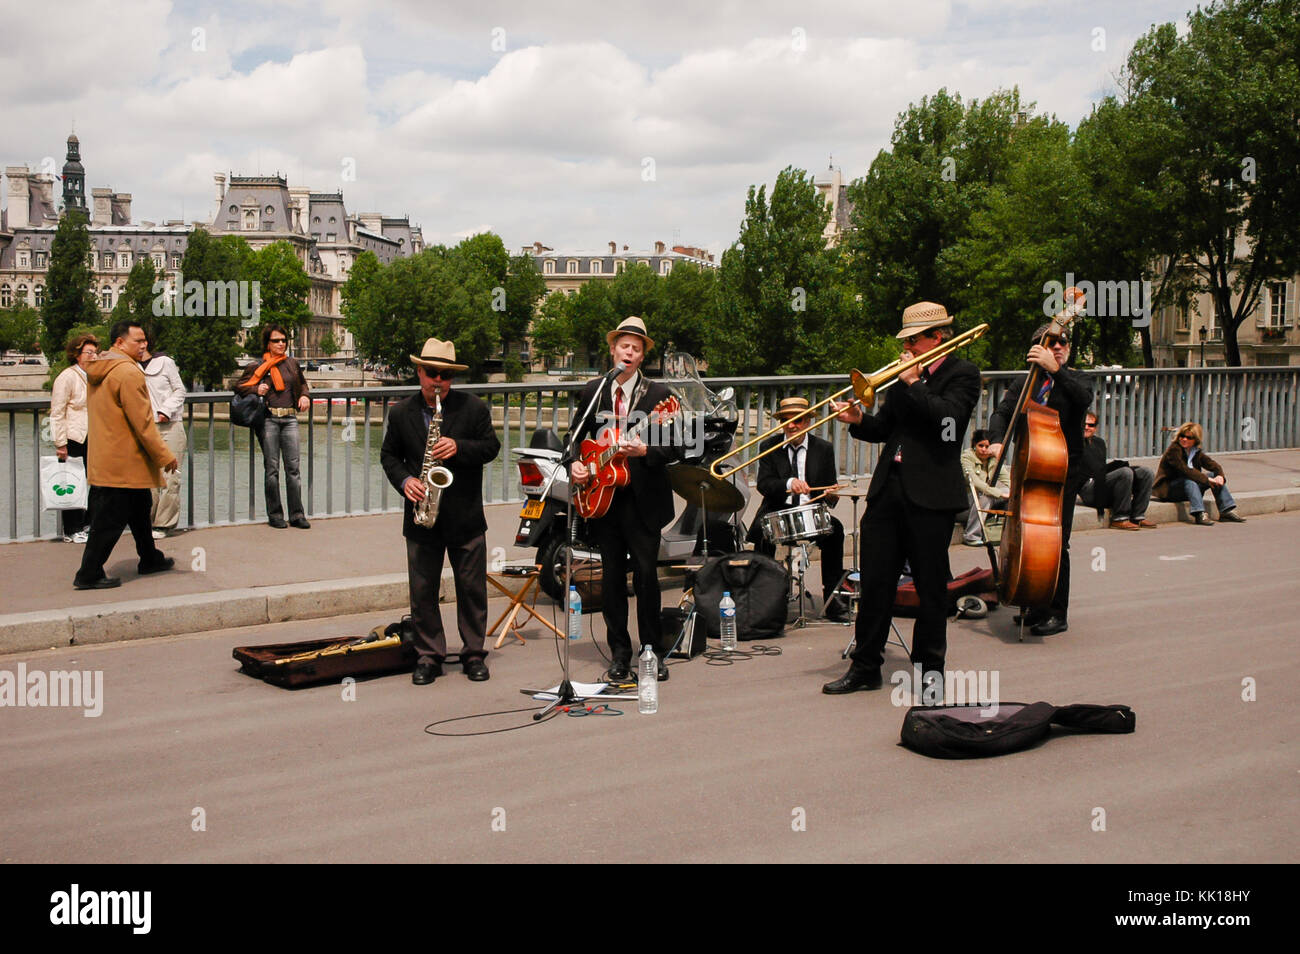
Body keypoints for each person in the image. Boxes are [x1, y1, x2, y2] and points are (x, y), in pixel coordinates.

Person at [823, 302, 981, 696]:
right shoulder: (902, 379)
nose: (907, 347)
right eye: (906, 340)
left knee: (930, 588)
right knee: (875, 583)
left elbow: (948, 424)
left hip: (931, 495)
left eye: (914, 340)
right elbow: (885, 429)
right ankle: (865, 666)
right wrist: (858, 421)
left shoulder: (963, 375)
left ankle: (930, 673)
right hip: (889, 489)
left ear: (937, 337)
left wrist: (915, 383)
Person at [381, 338, 500, 685]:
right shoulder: (401, 412)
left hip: (465, 516)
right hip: (422, 515)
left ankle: (473, 654)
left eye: (446, 376)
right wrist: (405, 482)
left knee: (472, 589)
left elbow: (491, 448)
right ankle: (429, 656)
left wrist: (459, 447)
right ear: (419, 372)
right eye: (432, 374)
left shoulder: (474, 407)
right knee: (423, 591)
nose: (438, 382)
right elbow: (389, 456)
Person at [569, 316, 681, 683]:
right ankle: (619, 653)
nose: (629, 352)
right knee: (612, 578)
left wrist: (645, 448)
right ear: (613, 350)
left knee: (647, 576)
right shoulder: (593, 390)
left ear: (642, 355)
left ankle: (651, 651)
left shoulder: (660, 396)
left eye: (636, 348)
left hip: (643, 499)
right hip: (603, 498)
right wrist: (577, 467)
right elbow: (574, 439)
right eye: (624, 346)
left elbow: (679, 446)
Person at [987, 321, 1094, 637]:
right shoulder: (1025, 384)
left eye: (1062, 343)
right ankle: (1033, 601)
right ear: (1037, 350)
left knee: (1057, 542)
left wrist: (1057, 372)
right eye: (1051, 344)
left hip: (1064, 471)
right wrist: (996, 439)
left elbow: (1083, 399)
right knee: (1029, 537)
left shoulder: (1075, 378)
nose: (1058, 347)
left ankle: (1057, 612)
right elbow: (1001, 413)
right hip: (1030, 469)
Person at [73, 320, 179, 590]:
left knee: (140, 509)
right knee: (108, 521)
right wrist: (165, 455)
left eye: (145, 340)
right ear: (120, 343)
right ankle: (89, 573)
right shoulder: (128, 373)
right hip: (124, 460)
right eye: (138, 341)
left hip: (107, 455)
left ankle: (149, 557)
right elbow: (143, 423)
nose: (144, 345)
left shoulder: (101, 369)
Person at [746, 396, 848, 621]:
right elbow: (764, 484)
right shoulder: (769, 446)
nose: (791, 426)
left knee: (836, 531)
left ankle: (833, 600)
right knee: (762, 536)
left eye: (797, 420)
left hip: (811, 513)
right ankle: (765, 603)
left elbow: (829, 491)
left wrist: (831, 494)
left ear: (808, 421)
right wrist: (789, 484)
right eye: (786, 421)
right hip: (777, 511)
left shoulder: (823, 448)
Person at [234, 325, 311, 529]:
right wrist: (255, 388)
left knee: (293, 469)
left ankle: (297, 514)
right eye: (276, 340)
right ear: (267, 343)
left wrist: (304, 396)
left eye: (283, 340)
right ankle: (275, 514)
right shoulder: (257, 365)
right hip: (268, 419)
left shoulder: (292, 364)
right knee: (272, 469)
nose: (281, 344)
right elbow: (239, 386)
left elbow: (303, 384)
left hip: (290, 419)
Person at [50, 333, 99, 543]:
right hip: (74, 436)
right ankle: (72, 528)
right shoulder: (67, 377)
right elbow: (57, 411)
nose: (93, 356)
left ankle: (88, 523)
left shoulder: (94, 375)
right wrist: (60, 443)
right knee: (72, 483)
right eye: (89, 352)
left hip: (94, 436)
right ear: (77, 355)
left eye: (95, 352)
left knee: (98, 483)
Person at [139, 336, 187, 538]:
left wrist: (165, 410)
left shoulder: (165, 362)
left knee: (170, 476)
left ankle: (163, 523)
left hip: (170, 425)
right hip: (144, 428)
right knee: (146, 478)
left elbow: (180, 389)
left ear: (146, 343)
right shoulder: (128, 366)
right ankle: (146, 521)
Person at [1153, 422, 1245, 526]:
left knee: (1213, 475)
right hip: (1170, 490)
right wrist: (1207, 480)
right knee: (1189, 480)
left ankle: (1226, 510)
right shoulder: (1174, 450)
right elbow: (1185, 470)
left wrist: (1220, 476)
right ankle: (1199, 513)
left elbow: (1214, 465)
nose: (1184, 439)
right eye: (1182, 436)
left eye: (1189, 437)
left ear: (1195, 439)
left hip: (1190, 488)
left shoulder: (1195, 451)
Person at [1078, 414, 1156, 530]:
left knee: (1146, 472)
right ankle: (1119, 518)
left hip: (1101, 482)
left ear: (1095, 428)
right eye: (1084, 424)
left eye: (1091, 425)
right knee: (1125, 472)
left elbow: (1101, 468)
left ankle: (1138, 515)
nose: (1087, 427)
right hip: (1088, 488)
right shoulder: (1073, 442)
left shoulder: (1099, 443)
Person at [960, 428, 1009, 546]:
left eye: (987, 446)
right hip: (966, 505)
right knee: (985, 496)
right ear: (974, 446)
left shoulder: (992, 459)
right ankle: (971, 536)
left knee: (1010, 492)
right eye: (980, 445)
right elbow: (976, 483)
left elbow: (1008, 480)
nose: (984, 449)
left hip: (985, 502)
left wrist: (1013, 492)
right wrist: (999, 493)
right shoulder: (966, 458)